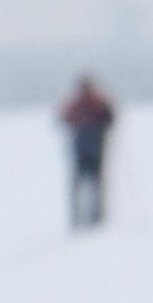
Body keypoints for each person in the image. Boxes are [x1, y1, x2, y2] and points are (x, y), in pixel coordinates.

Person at [56, 76, 116, 229]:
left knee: (82, 183)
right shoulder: (97, 101)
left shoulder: (78, 103)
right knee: (95, 183)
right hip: (92, 148)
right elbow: (110, 117)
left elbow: (64, 118)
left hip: (85, 148)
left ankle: (81, 217)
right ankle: (92, 216)